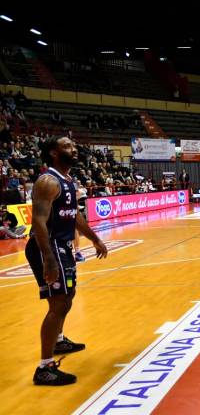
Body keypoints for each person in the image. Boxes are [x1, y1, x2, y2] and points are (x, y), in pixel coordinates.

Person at [26, 136, 109, 385]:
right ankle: (44, 367)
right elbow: (38, 222)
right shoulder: (48, 181)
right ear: (53, 153)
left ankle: (59, 341)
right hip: (47, 247)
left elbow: (74, 216)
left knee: (68, 297)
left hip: (61, 246)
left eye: (73, 146)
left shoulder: (68, 181)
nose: (73, 150)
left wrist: (95, 239)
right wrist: (49, 260)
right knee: (59, 303)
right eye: (67, 147)